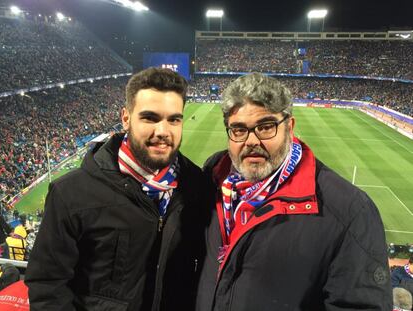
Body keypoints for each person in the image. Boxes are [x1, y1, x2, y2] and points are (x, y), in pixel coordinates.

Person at [196, 73, 392, 310]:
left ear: (289, 126)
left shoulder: (349, 211)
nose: (251, 141)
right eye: (238, 129)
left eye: (265, 127)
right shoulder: (212, 181)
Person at [25, 68, 207, 310]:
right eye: (150, 118)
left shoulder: (197, 185)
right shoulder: (71, 193)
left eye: (174, 119)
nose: (163, 131)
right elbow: (47, 286)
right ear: (126, 118)